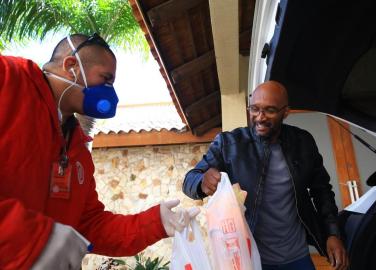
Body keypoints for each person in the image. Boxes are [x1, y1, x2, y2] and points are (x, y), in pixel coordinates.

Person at [0, 33, 198, 270]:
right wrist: (32, 239)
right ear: (71, 66)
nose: (109, 92)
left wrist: (155, 223)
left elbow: (90, 225)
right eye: (105, 79)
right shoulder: (8, 79)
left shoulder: (77, 150)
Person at [183, 81, 349, 270]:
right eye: (254, 109)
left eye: (270, 110)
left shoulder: (302, 142)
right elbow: (189, 180)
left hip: (297, 256)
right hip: (252, 259)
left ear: (285, 112)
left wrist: (332, 233)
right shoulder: (229, 144)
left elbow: (322, 191)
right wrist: (202, 182)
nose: (260, 117)